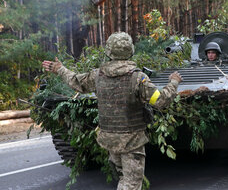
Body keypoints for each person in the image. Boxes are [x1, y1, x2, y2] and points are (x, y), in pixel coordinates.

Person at [42, 32, 182, 190]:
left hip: (109, 139)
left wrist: (60, 69)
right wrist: (173, 83)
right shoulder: (138, 78)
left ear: (109, 52)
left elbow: (76, 82)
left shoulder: (97, 75)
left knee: (123, 178)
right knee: (131, 184)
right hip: (132, 141)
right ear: (130, 51)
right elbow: (160, 101)